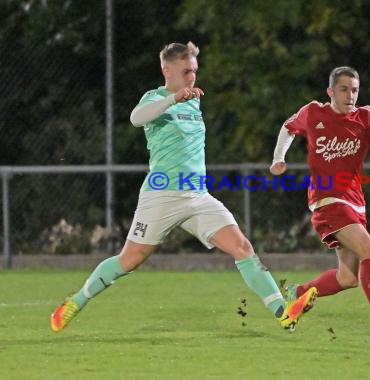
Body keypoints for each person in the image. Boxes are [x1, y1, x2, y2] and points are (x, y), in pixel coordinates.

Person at [50, 41, 317, 333]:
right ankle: (74, 302)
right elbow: (135, 119)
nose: (192, 77)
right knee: (130, 260)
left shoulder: (194, 99)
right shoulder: (155, 98)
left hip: (197, 195)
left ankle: (283, 312)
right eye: (186, 71)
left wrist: (192, 61)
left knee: (242, 247)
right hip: (161, 195)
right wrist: (173, 98)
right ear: (167, 70)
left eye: (194, 71)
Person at [269, 66, 370, 342]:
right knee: (368, 249)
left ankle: (298, 293)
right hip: (327, 200)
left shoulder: (365, 116)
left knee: (347, 277)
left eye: (355, 90)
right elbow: (288, 128)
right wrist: (278, 158)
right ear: (331, 91)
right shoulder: (314, 112)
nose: (350, 95)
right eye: (344, 89)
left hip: (355, 202)